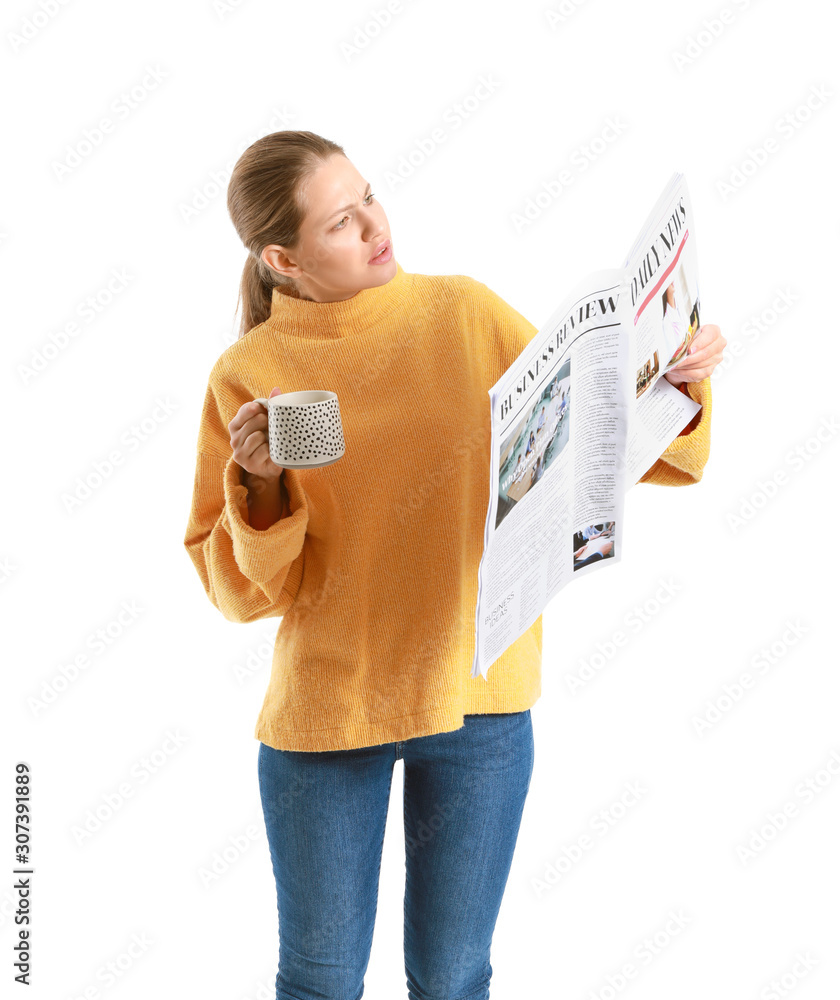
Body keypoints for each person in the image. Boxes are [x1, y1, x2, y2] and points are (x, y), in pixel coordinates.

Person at [182, 130, 726, 1000]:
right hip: (328, 719)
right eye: (340, 222)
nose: (373, 225)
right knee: (320, 983)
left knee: (452, 979)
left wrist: (677, 379)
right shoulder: (251, 374)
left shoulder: (463, 314)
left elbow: (603, 437)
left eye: (370, 196)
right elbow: (241, 593)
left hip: (480, 704)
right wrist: (259, 485)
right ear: (281, 259)